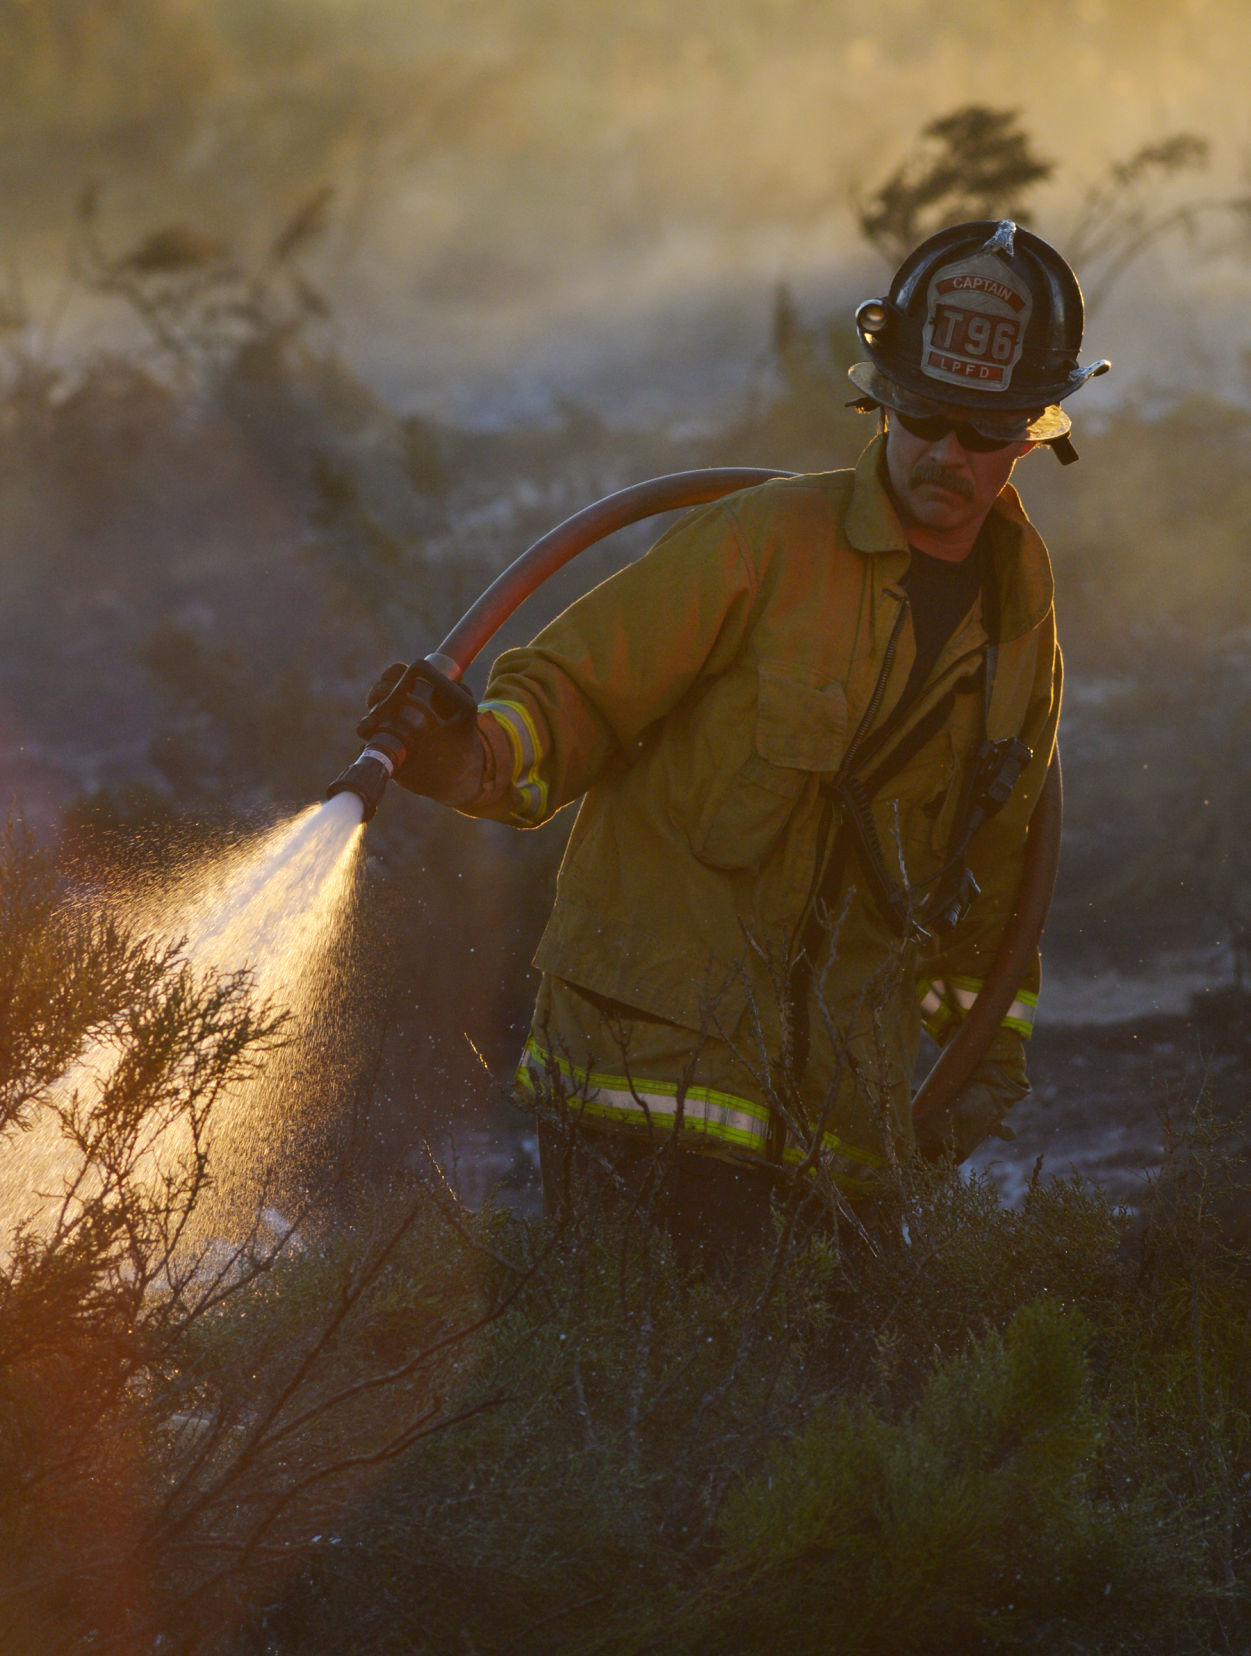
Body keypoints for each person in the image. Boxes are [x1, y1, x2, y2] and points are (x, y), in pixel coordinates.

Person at [363, 220, 1109, 1258]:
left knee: (825, 1415)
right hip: (645, 1093)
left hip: (837, 1139)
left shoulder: (1020, 626)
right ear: (884, 400)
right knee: (632, 1399)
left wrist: (967, 1080)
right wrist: (468, 756)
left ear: (1030, 434)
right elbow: (580, 691)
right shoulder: (764, 542)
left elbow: (990, 879)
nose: (946, 452)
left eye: (981, 431)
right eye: (926, 415)